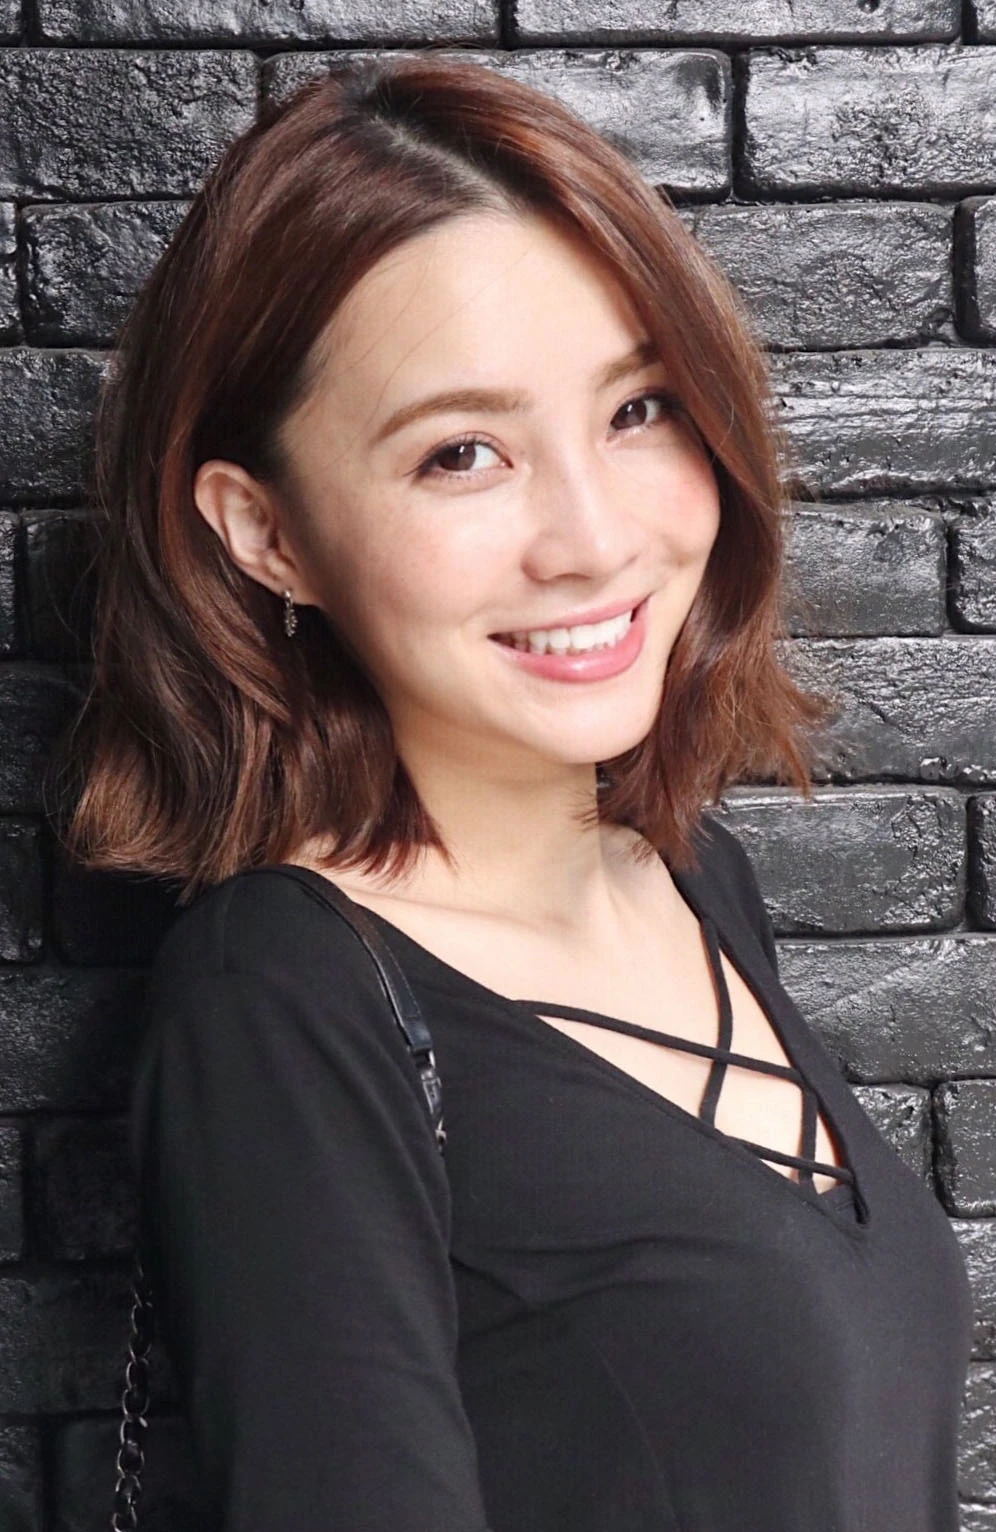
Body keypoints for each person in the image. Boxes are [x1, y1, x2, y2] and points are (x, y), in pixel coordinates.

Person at [55, 53, 974, 1532]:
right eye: (463, 453)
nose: (593, 539)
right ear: (265, 533)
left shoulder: (689, 879)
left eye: (639, 408)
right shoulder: (285, 1000)